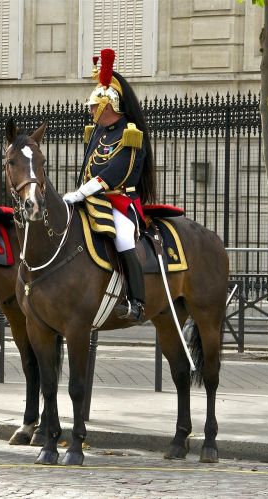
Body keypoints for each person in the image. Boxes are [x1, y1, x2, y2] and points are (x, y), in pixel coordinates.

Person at [63, 48, 156, 322]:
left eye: (94, 105)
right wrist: (80, 192)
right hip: (91, 199)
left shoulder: (130, 133)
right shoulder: (99, 132)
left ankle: (136, 301)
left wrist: (85, 190)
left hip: (119, 201)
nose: (90, 109)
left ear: (108, 105)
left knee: (124, 238)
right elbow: (88, 165)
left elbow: (119, 171)